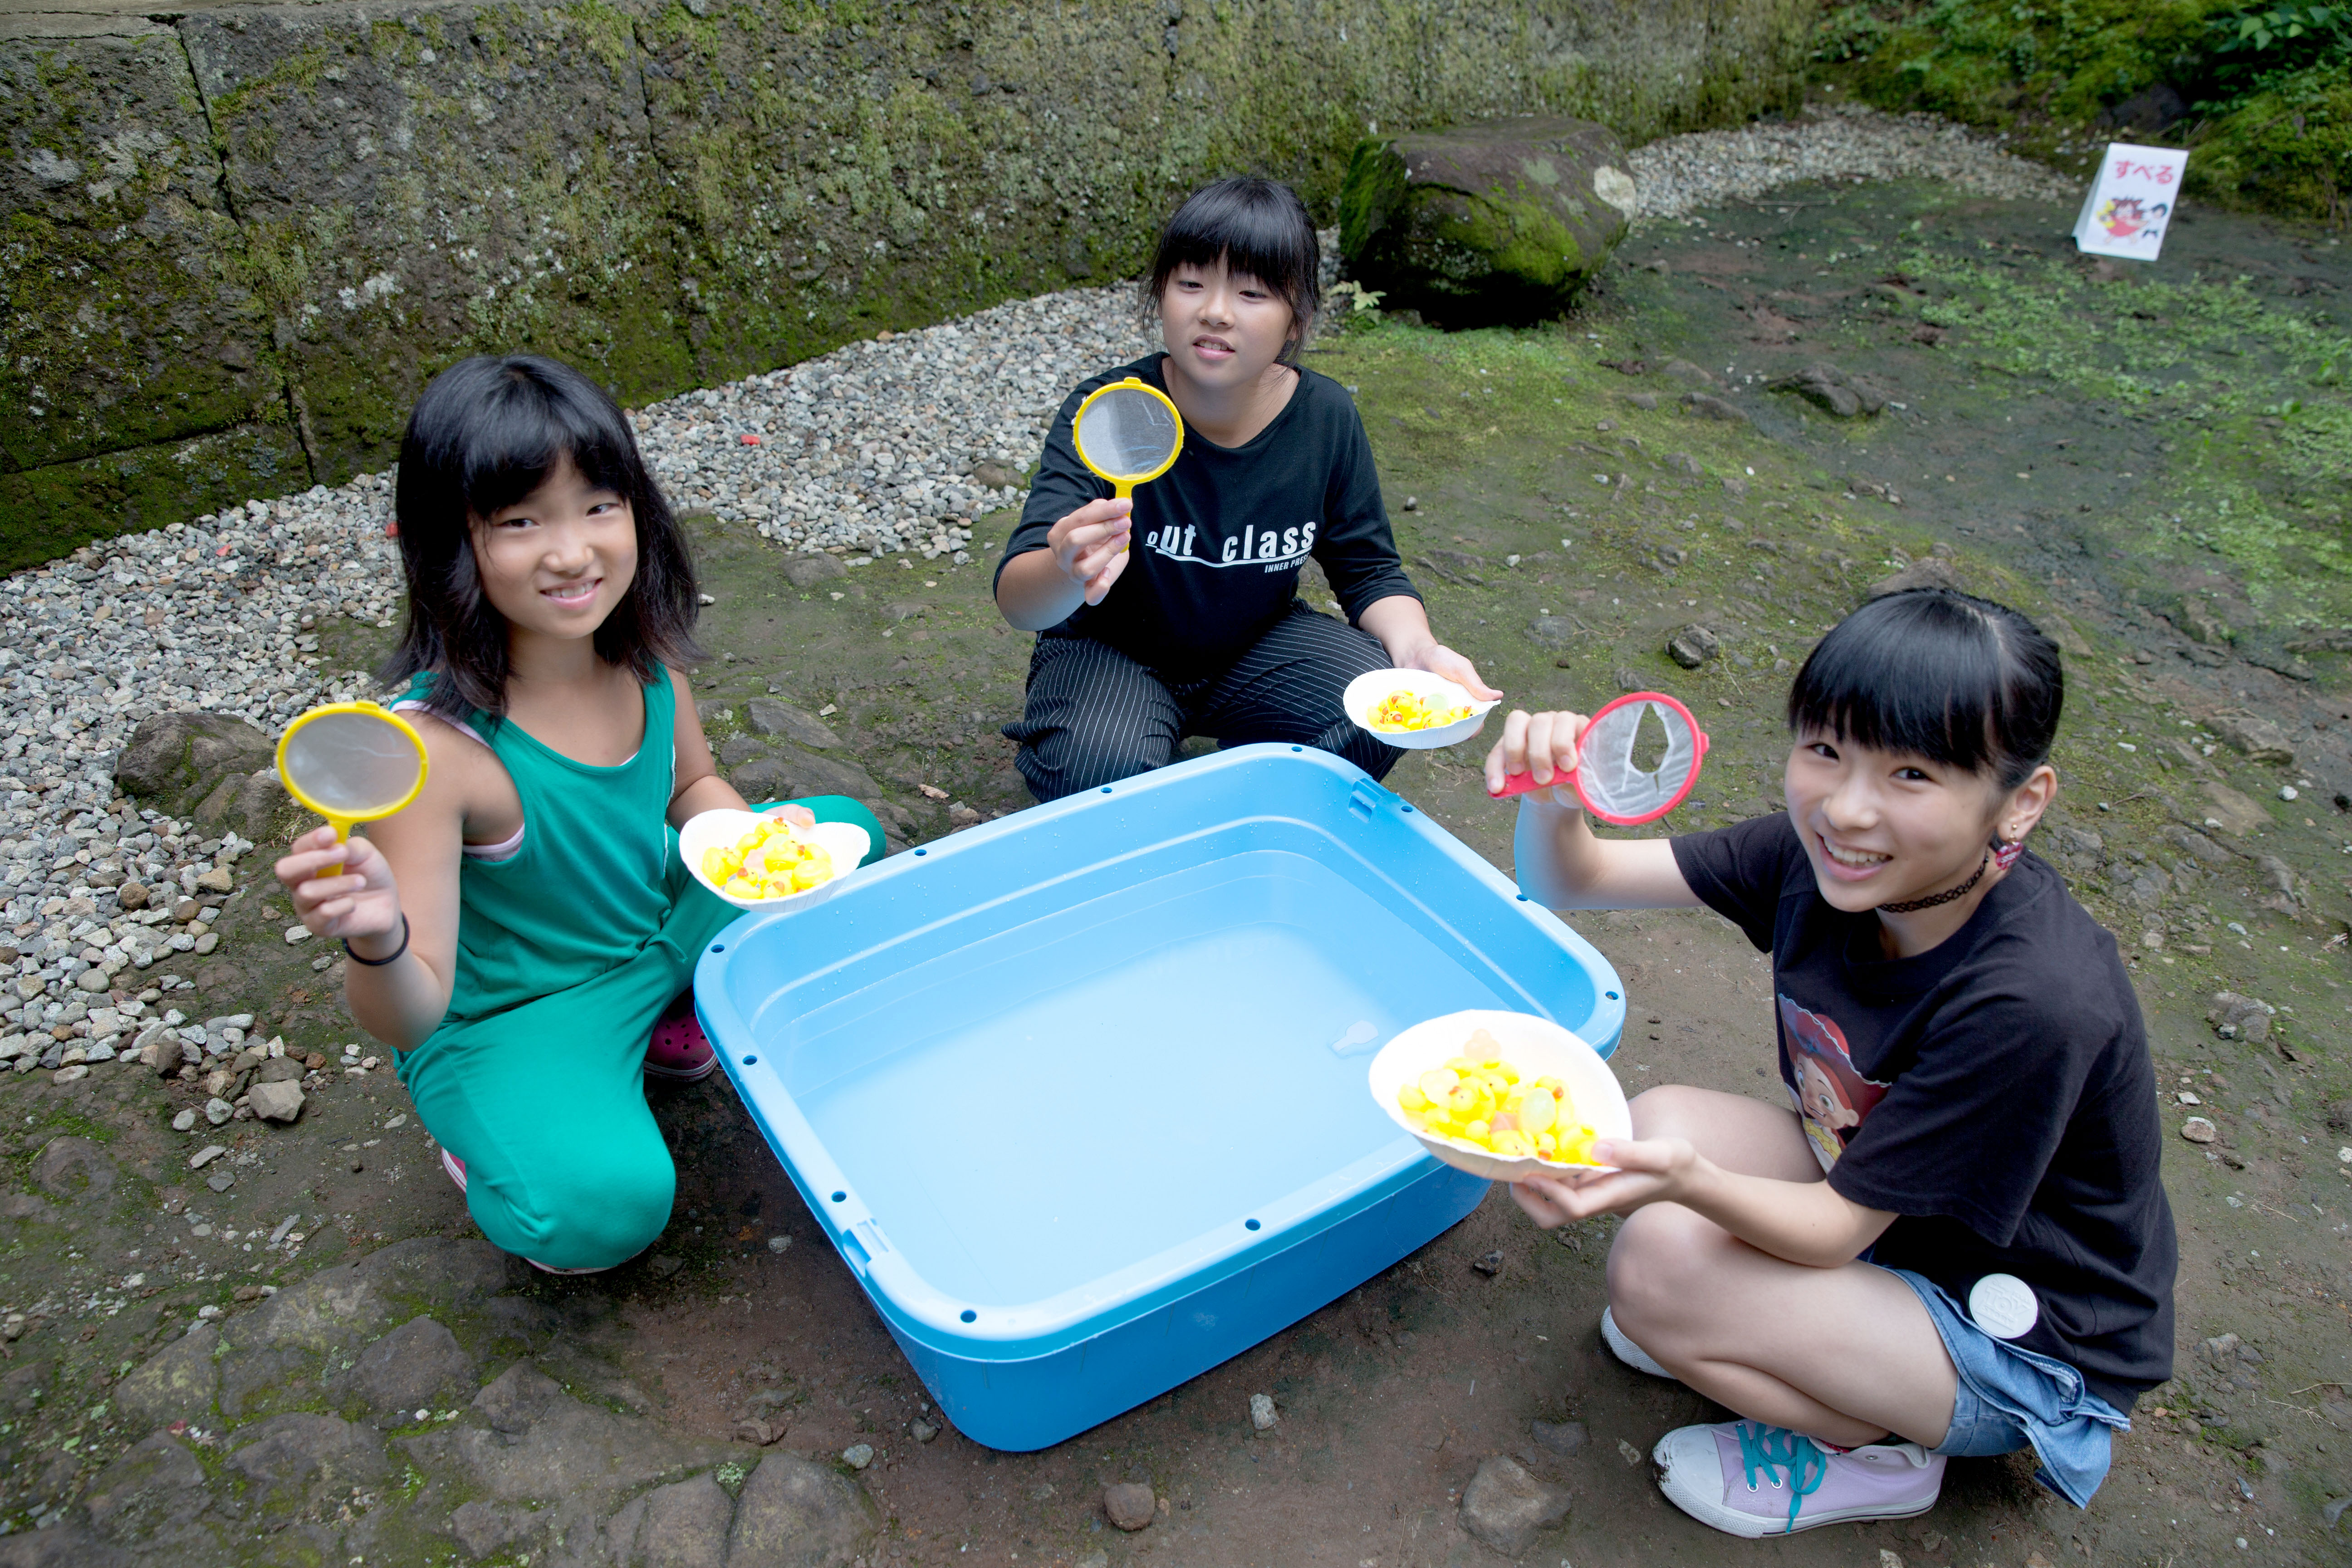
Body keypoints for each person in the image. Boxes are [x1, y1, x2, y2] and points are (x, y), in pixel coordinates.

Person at [1483, 588, 2175, 1537]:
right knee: (1657, 1123)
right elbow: (1574, 878)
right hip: (1903, 1213)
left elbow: (1833, 1233)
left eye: (1912, 774)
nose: (1848, 809)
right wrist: (1556, 800)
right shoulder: (1823, 861)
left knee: (1654, 1268)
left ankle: (1878, 1454)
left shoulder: (2034, 1001)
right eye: (1825, 751)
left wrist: (1688, 1187)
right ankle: (1761, 1336)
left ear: (2022, 802)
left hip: (2022, 1334)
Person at [272, 354, 882, 1274]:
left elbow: (689, 789)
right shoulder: (437, 752)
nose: (571, 552)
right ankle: (497, 1134)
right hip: (522, 1013)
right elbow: (409, 1012)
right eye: (521, 522)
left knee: (844, 836)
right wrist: (377, 936)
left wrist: (756, 843)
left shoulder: (644, 656)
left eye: (599, 506)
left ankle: (673, 1016)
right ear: (450, 543)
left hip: (652, 934)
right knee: (601, 1211)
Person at [995, 176, 1497, 799]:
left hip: (1255, 650)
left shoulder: (1324, 419)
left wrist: (1418, 650)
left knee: (1378, 709)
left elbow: (1368, 570)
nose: (1216, 311)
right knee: (1096, 771)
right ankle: (1139, 755)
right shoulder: (1111, 413)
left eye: (1252, 292)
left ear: (1297, 317)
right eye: (1191, 283)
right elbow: (1018, 602)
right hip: (1112, 653)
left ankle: (1254, 799)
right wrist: (1065, 570)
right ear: (1160, 294)